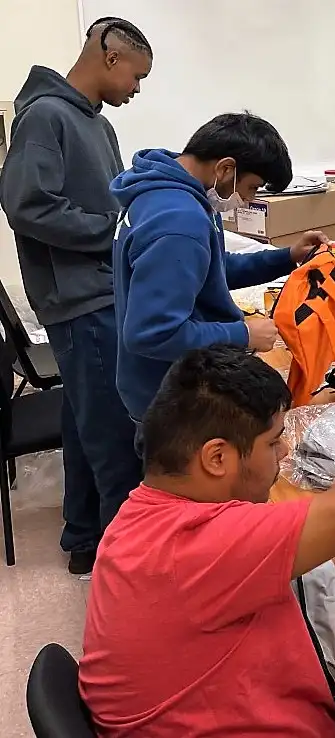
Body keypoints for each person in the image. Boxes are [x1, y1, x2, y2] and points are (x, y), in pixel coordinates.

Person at [79, 338, 335, 737]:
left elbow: (301, 564)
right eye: (272, 440)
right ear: (217, 458)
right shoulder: (194, 547)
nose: (283, 451)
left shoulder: (148, 516)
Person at [0, 18, 152, 574]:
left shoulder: (97, 124)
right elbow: (26, 205)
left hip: (101, 288)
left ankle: (84, 538)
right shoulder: (44, 116)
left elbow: (109, 201)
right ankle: (125, 568)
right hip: (80, 300)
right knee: (114, 432)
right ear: (110, 57)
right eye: (136, 77)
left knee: (87, 420)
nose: (137, 90)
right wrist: (108, 232)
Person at [111, 112, 326, 425]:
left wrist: (286, 257)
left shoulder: (167, 195)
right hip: (173, 399)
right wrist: (242, 334)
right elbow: (152, 334)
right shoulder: (180, 221)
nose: (249, 199)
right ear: (226, 168)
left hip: (162, 381)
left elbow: (211, 270)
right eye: (253, 187)